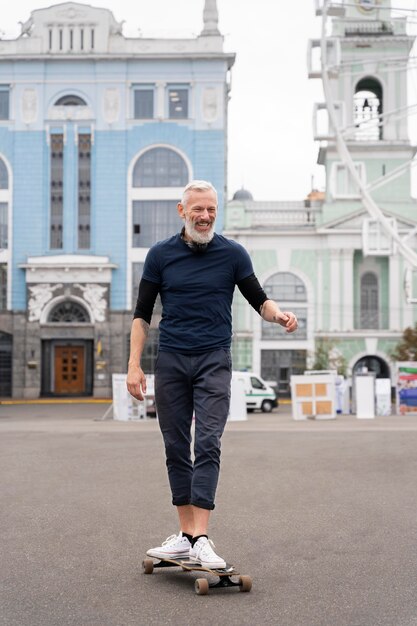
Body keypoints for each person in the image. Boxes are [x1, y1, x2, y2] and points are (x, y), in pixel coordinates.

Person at [127, 180, 298, 568]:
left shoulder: (233, 254)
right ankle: (186, 536)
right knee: (175, 446)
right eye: (197, 210)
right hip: (170, 359)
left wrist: (280, 316)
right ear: (182, 211)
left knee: (207, 442)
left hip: (213, 359)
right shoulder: (160, 255)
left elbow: (259, 300)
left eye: (211, 210)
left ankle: (200, 536)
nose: (204, 217)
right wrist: (133, 365)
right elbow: (142, 315)